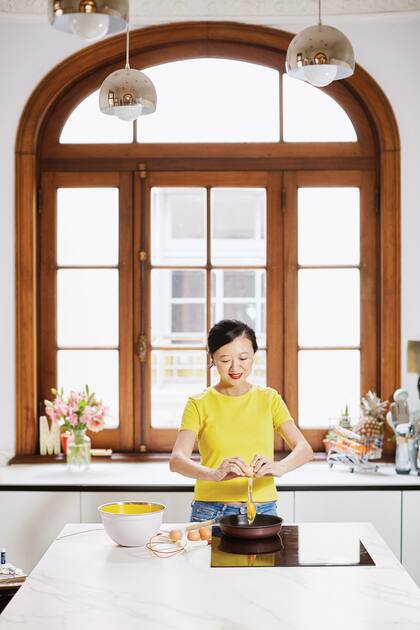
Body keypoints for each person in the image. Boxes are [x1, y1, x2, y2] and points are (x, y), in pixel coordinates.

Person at [169, 319, 313, 522]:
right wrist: (214, 474)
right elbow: (177, 461)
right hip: (210, 512)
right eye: (225, 359)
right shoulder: (198, 403)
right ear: (212, 358)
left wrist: (280, 467)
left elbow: (304, 449)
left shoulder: (269, 399)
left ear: (254, 356)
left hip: (263, 510)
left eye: (243, 358)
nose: (235, 367)